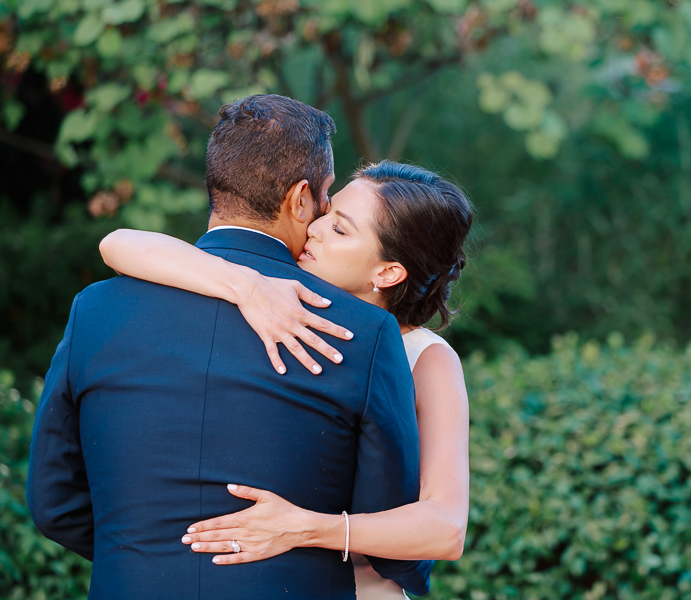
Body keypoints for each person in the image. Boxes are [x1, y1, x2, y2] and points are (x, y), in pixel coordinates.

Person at [27, 94, 433, 600]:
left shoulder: (95, 311)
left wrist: (148, 550)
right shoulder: (364, 333)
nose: (325, 214)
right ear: (301, 198)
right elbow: (387, 530)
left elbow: (53, 503)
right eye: (327, 197)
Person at [99, 159, 473, 599]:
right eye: (327, 212)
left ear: (387, 272)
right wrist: (245, 286)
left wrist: (307, 528)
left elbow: (446, 529)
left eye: (340, 230)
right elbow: (118, 243)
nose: (313, 228)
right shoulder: (271, 299)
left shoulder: (425, 358)